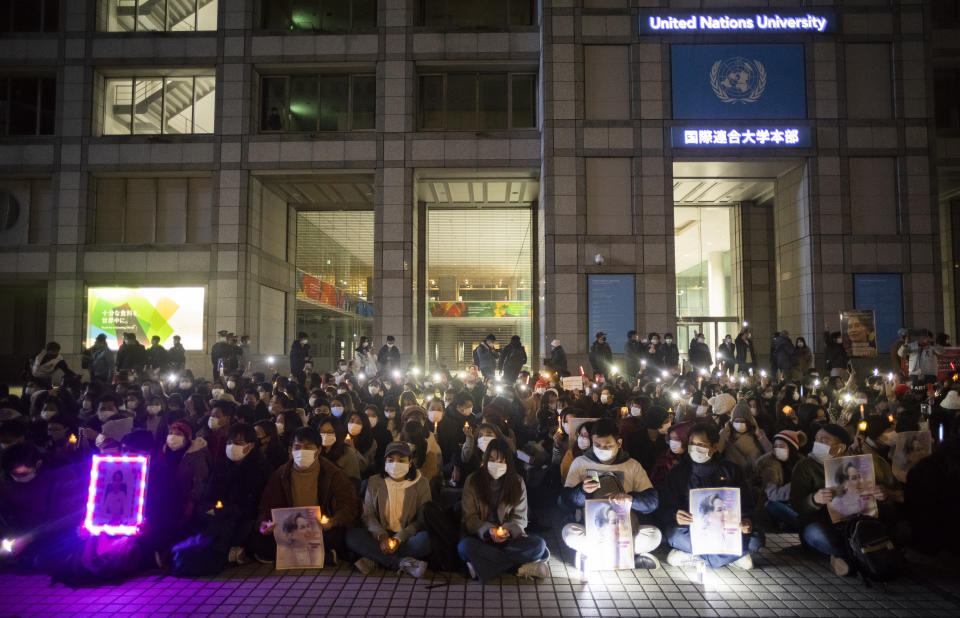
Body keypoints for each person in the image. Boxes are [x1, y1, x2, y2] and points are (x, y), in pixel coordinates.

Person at [659, 422, 765, 570]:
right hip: (692, 531)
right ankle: (732, 557)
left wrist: (747, 521)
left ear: (715, 446)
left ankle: (695, 557)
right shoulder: (678, 473)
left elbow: (746, 504)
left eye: (701, 444)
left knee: (756, 539)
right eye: (691, 443)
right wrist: (675, 515)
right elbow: (664, 508)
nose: (695, 448)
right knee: (673, 534)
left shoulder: (731, 471)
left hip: (726, 531)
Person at [790, 424, 890, 577]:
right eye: (816, 439)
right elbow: (797, 504)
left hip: (852, 523)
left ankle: (848, 559)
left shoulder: (855, 464)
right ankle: (861, 555)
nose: (818, 443)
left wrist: (880, 495)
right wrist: (815, 499)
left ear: (841, 446)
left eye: (824, 440)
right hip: (820, 523)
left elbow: (872, 498)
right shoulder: (805, 466)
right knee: (817, 534)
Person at [561, 419, 662, 569]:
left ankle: (592, 557)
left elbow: (652, 502)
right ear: (591, 442)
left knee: (654, 535)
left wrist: (632, 499)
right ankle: (629, 557)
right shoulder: (580, 463)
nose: (602, 449)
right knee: (569, 532)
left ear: (619, 443)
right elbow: (565, 501)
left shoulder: (632, 465)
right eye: (597, 445)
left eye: (608, 445)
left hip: (625, 529)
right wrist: (582, 492)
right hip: (592, 530)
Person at [256, 427, 361, 564]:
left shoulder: (332, 473)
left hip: (320, 528)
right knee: (259, 540)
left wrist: (333, 521)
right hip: (291, 530)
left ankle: (294, 555)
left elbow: (349, 503)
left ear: (318, 450)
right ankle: (323, 556)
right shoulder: (281, 474)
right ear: (290, 451)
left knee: (338, 536)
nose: (302, 451)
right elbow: (267, 504)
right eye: (297, 447)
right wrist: (264, 522)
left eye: (308, 447)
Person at [458, 438, 550, 581]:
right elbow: (469, 518)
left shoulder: (517, 482)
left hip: (509, 540)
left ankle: (481, 566)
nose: (496, 464)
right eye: (492, 459)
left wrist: (507, 531)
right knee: (464, 547)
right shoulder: (473, 481)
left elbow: (520, 518)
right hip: (483, 539)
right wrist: (488, 530)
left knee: (539, 545)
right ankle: (519, 567)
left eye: (502, 461)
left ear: (508, 462)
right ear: (485, 458)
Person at [346, 441, 432, 576]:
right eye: (391, 460)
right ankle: (399, 562)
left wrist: (399, 538)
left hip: (407, 537)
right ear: (385, 462)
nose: (395, 464)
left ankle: (376, 558)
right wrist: (382, 536)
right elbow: (368, 514)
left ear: (410, 463)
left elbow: (421, 519)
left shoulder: (421, 483)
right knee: (352, 536)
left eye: (401, 460)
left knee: (426, 540)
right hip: (379, 535)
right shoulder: (375, 481)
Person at [756, 430, 805, 531]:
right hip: (774, 503)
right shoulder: (770, 465)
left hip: (796, 504)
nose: (778, 449)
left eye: (781, 446)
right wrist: (796, 483)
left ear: (791, 447)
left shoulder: (801, 463)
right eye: (775, 446)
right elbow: (773, 495)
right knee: (773, 506)